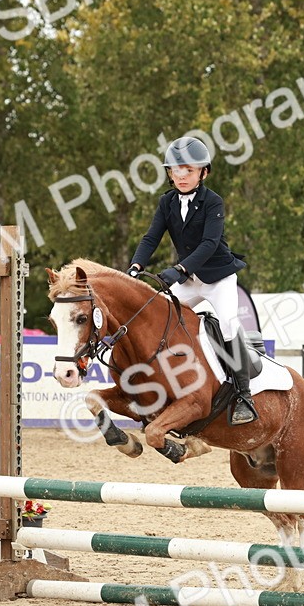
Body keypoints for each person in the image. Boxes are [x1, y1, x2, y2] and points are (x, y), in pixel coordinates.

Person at [128, 136, 257, 426]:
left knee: (227, 323)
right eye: (176, 170)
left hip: (218, 278)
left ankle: (244, 396)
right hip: (189, 279)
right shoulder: (167, 202)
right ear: (169, 174)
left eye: (189, 170)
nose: (182, 176)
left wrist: (180, 269)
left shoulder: (213, 202)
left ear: (203, 172)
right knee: (160, 318)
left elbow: (209, 244)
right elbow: (151, 237)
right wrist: (136, 265)